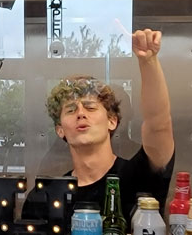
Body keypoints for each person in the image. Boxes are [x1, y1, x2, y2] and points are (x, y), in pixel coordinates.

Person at [45, 29, 175, 222]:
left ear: (112, 121)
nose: (81, 113)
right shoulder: (47, 196)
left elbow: (158, 125)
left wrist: (148, 61)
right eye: (71, 110)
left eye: (90, 107)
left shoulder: (138, 176)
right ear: (60, 130)